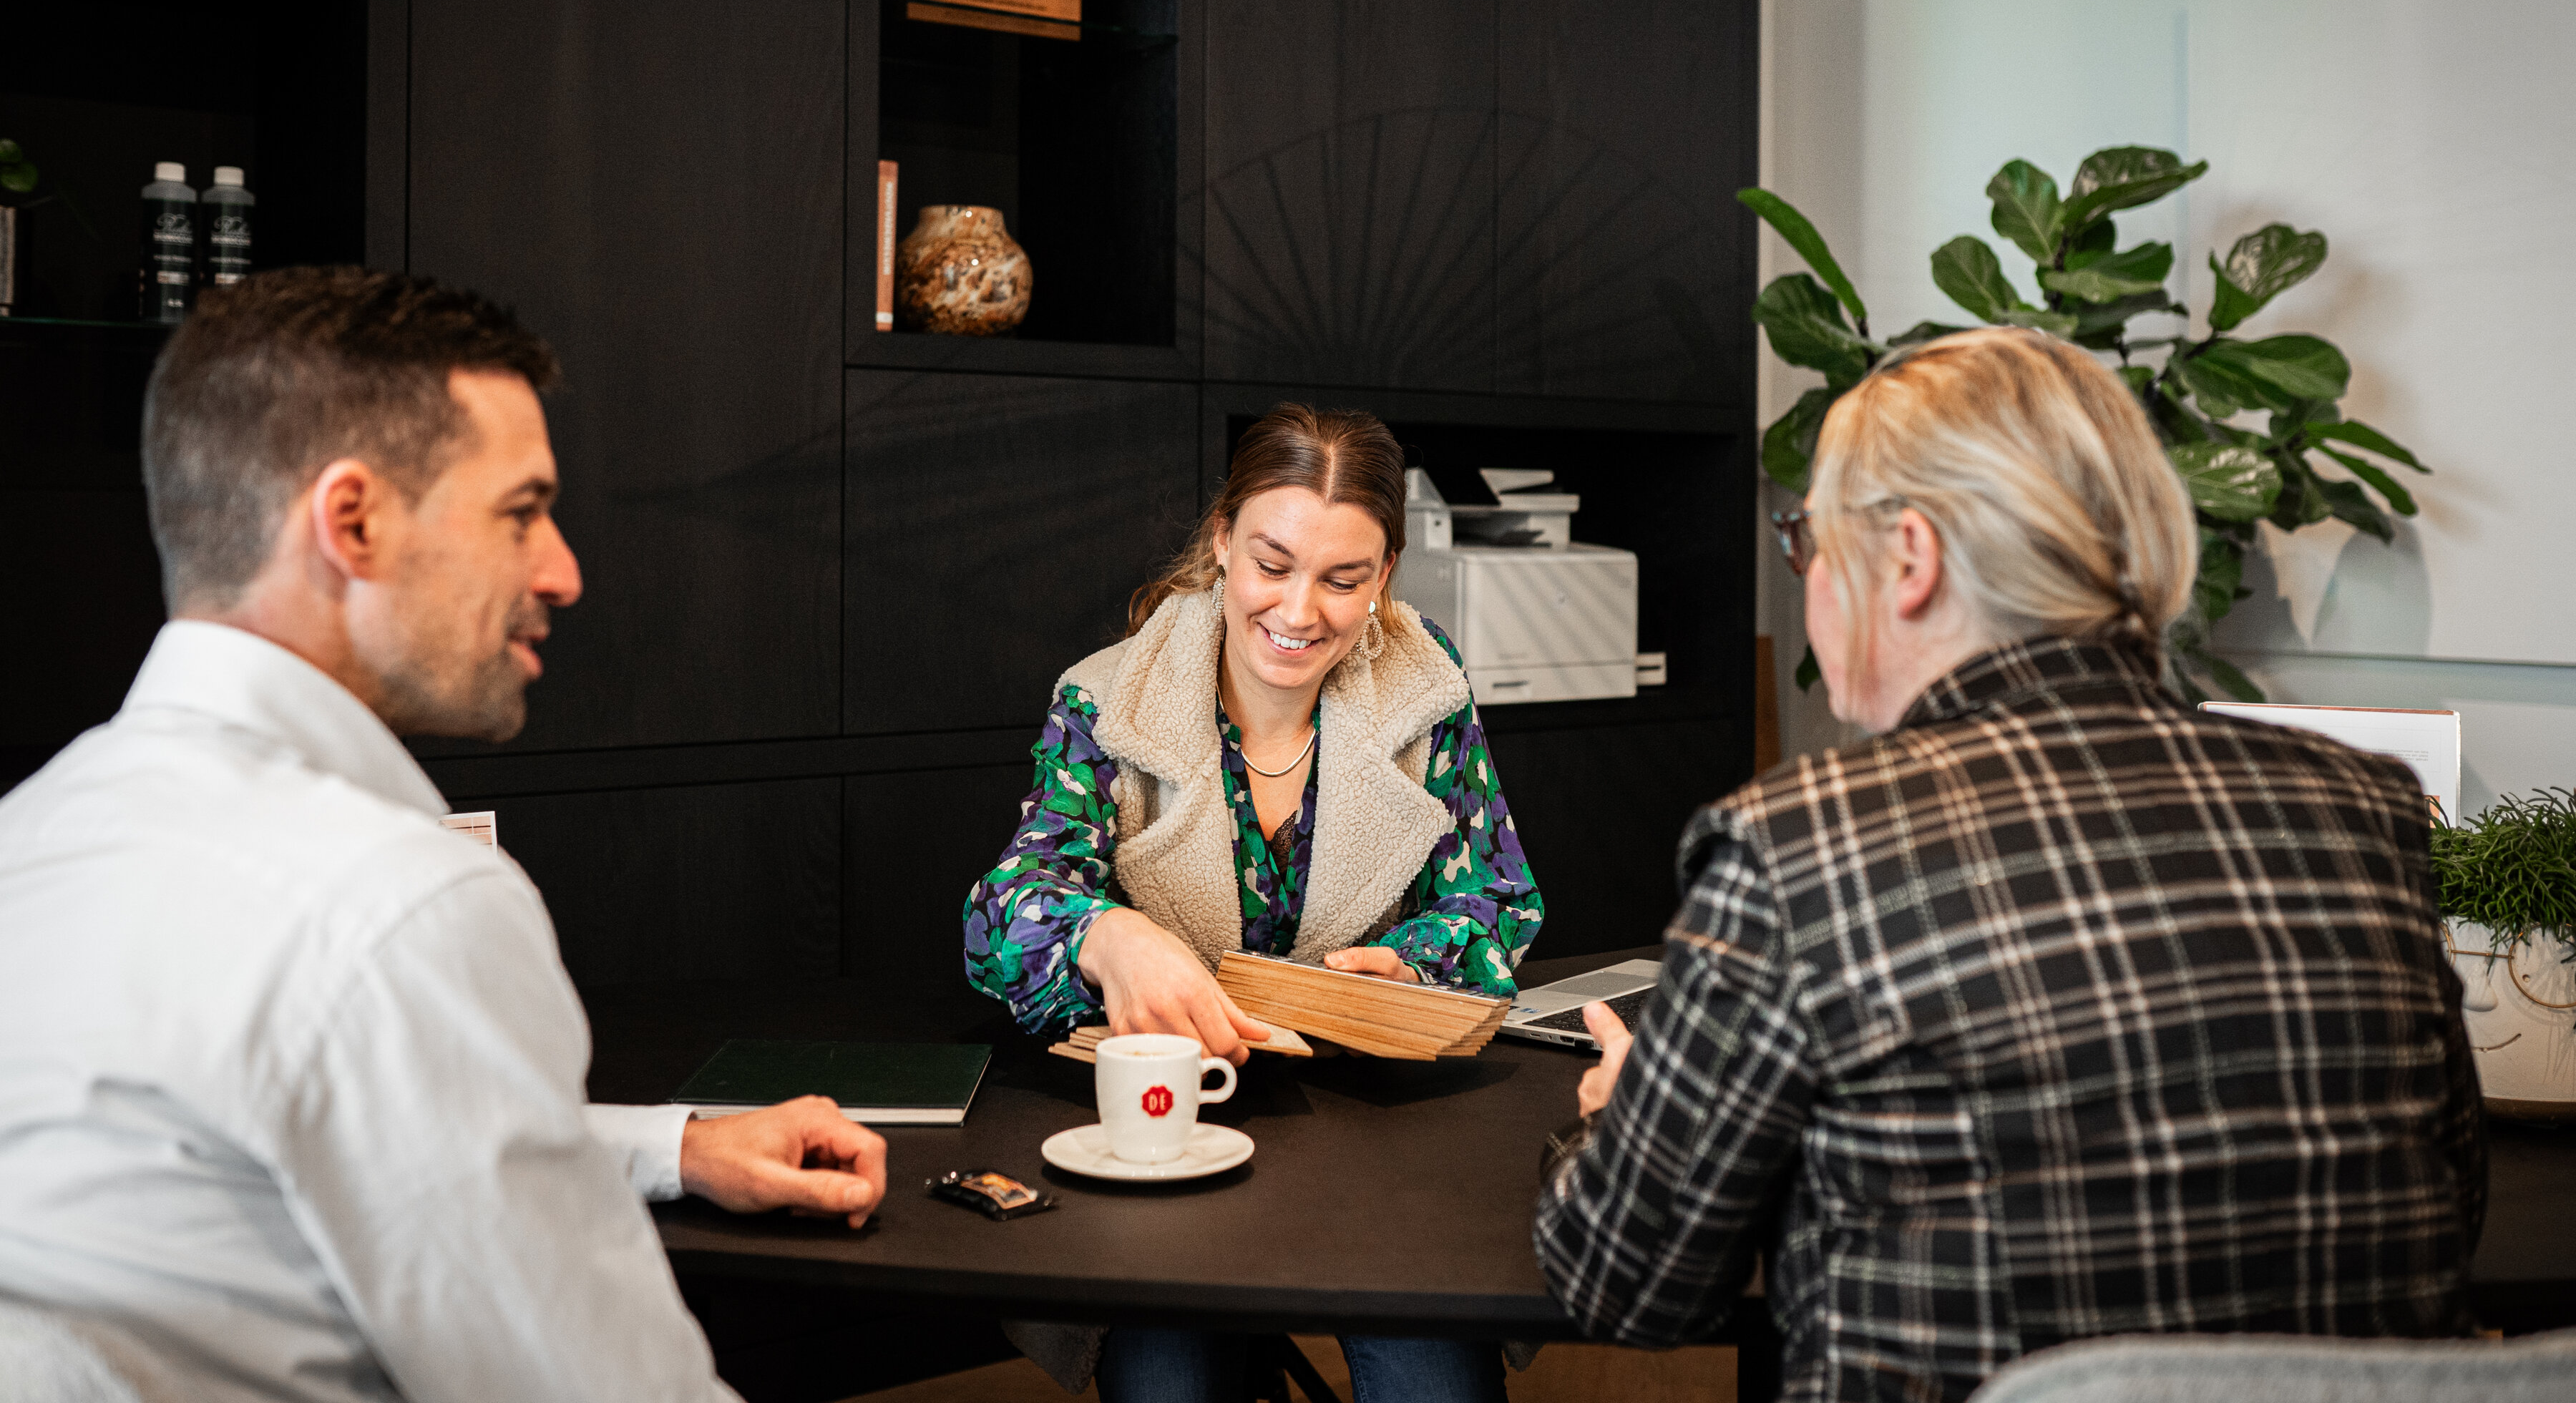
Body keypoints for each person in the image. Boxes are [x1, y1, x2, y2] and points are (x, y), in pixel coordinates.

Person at [1534, 327, 2484, 1402]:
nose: (1806, 577)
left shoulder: (1798, 849)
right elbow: (2453, 1199)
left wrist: (1621, 1115)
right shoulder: (2366, 807)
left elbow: (1626, 1280)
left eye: (1807, 541)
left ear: (1909, 557)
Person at [0, 269, 890, 1403]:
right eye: (521, 512)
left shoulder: (32, 837)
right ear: (354, 522)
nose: (562, 571)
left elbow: (256, 1140)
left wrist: (669, 1150)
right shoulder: (399, 909)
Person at [961, 404, 1543, 1402]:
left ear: (1385, 579)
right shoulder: (1106, 701)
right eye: (1273, 564)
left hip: (1374, 1130)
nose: (1300, 610)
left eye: (1343, 579)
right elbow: (1001, 911)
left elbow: (1498, 898)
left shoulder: (1429, 690)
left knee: (1436, 1387)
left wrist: (1411, 962)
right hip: (1175, 1133)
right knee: (1169, 1384)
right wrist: (1109, 933)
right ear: (1222, 542)